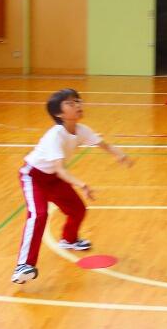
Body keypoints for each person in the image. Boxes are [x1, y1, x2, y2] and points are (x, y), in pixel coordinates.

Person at [11, 88, 133, 284]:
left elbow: (104, 145)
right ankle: (23, 265)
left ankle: (69, 240)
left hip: (53, 178)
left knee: (77, 209)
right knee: (38, 215)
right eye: (70, 103)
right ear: (58, 113)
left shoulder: (81, 130)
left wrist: (120, 154)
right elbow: (60, 169)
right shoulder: (55, 136)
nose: (77, 105)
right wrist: (81, 184)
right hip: (33, 177)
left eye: (78, 101)